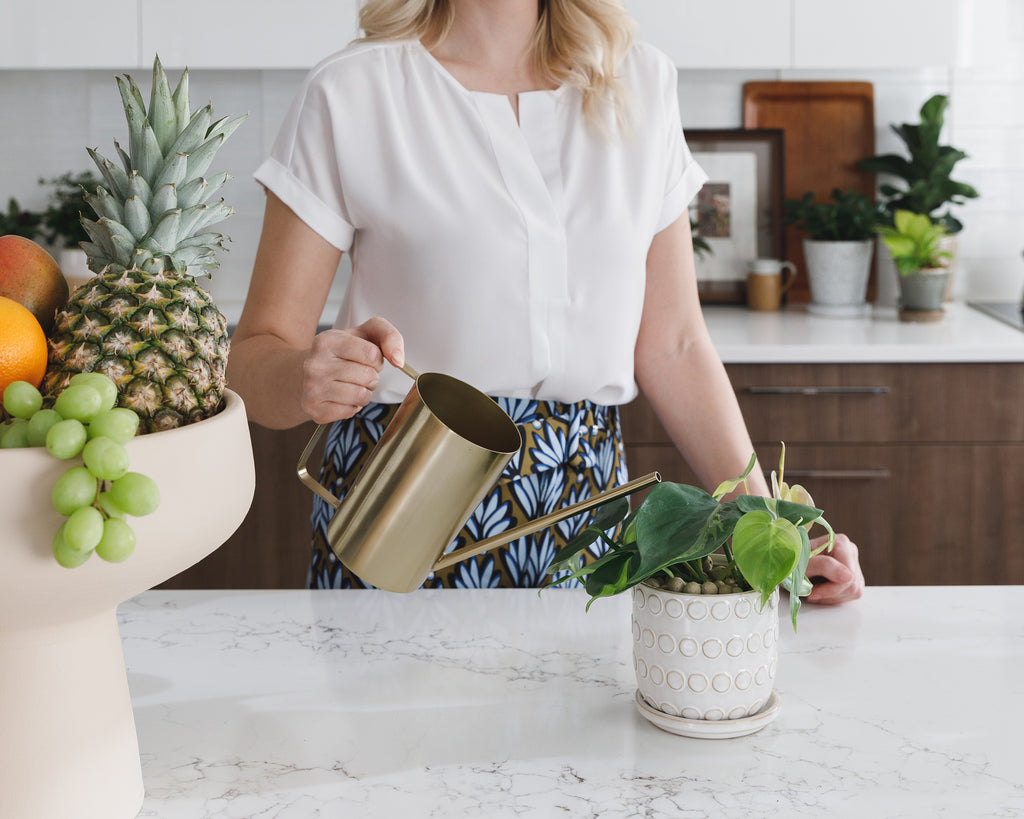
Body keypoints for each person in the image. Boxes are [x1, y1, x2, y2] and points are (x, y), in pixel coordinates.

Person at [228, 0, 864, 602]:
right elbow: (253, 360)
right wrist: (307, 376)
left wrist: (768, 530)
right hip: (402, 491)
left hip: (585, 500)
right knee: (389, 715)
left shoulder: (640, 82)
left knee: (577, 713)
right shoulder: (353, 91)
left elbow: (675, 345)